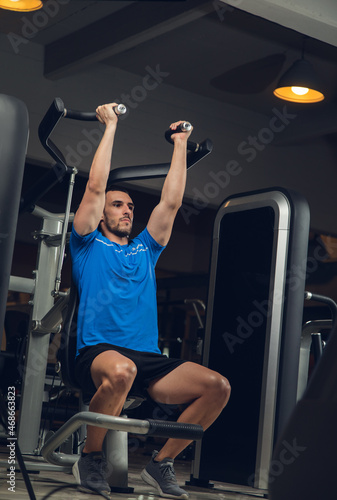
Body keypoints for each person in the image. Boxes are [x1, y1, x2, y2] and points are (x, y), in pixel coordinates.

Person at [70, 102, 231, 499]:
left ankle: (161, 464)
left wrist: (181, 143)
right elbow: (94, 187)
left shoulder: (146, 249)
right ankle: (90, 458)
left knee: (217, 386)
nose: (127, 210)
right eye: (118, 204)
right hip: (98, 353)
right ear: (100, 214)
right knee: (121, 372)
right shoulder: (86, 244)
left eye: (129, 205)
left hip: (147, 358)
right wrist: (110, 125)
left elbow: (171, 203)